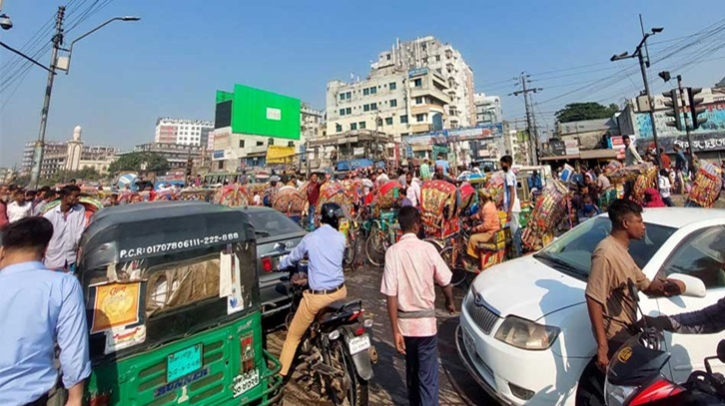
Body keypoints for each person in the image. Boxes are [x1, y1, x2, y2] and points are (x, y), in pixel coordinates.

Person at [578, 199, 686, 406]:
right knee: (621, 395)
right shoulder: (606, 253)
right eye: (639, 221)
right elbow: (593, 297)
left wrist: (668, 287)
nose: (643, 225)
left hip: (627, 333)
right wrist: (602, 346)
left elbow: (644, 284)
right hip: (615, 337)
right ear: (625, 224)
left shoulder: (622, 253)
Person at [0, 217, 91, 406]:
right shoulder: (63, 285)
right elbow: (73, 349)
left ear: (2, 251)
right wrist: (75, 398)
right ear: (45, 250)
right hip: (30, 398)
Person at [381, 206, 455, 406]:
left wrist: (395, 330)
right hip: (425, 326)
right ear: (416, 225)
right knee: (427, 379)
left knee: (412, 373)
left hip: (405, 328)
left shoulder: (392, 252)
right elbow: (446, 282)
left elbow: (391, 294)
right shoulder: (428, 249)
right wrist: (449, 302)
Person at [277, 203, 347, 379]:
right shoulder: (341, 238)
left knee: (293, 336)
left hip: (318, 299)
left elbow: (292, 258)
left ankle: (280, 375)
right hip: (340, 292)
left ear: (321, 218)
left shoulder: (310, 238)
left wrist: (280, 264)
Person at [43, 185, 85, 273]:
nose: (78, 199)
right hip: (53, 259)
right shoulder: (49, 215)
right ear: (65, 197)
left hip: (71, 258)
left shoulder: (80, 210)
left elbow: (79, 232)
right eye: (75, 196)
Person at [465, 189, 501, 263]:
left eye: (479, 197)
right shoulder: (489, 204)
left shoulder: (487, 207)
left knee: (472, 238)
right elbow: (479, 214)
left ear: (482, 198)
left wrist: (476, 229)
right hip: (494, 231)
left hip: (491, 233)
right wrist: (470, 218)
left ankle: (474, 261)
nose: (479, 199)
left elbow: (486, 225)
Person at [500, 155, 521, 254]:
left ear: (507, 164)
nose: (501, 165)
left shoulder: (509, 175)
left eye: (502, 163)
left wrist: (509, 210)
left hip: (512, 207)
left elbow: (511, 193)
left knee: (514, 231)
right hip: (512, 207)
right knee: (514, 230)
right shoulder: (511, 174)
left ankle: (518, 253)